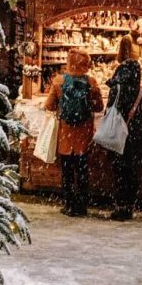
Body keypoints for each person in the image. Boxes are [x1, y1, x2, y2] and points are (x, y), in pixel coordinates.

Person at [44, 48, 104, 217]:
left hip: (65, 133)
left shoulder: (59, 81)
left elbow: (49, 105)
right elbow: (99, 107)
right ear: (86, 64)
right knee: (82, 171)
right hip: (84, 134)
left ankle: (68, 204)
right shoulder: (91, 82)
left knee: (67, 171)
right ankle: (82, 205)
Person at [106, 35, 142, 221]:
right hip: (136, 133)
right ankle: (129, 205)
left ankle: (119, 206)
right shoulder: (141, 90)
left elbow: (109, 109)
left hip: (119, 133)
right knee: (132, 171)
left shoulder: (118, 88)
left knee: (120, 171)